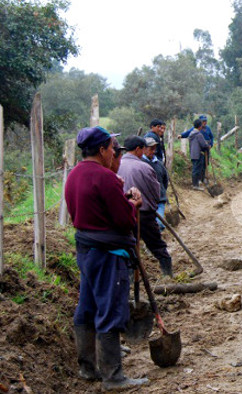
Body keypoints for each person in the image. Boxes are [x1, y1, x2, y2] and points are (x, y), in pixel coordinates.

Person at [64, 126, 148, 391]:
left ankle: (87, 368)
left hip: (85, 250)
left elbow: (91, 209)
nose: (115, 152)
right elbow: (123, 221)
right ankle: (114, 377)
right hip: (107, 254)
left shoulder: (74, 175)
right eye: (112, 148)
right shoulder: (105, 178)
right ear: (101, 150)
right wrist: (133, 204)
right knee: (110, 309)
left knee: (87, 307)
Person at [118, 136, 173, 277]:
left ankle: (129, 281)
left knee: (128, 248)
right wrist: (152, 206)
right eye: (143, 149)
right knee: (157, 246)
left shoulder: (116, 165)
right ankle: (168, 275)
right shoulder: (144, 167)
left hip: (123, 215)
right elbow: (156, 191)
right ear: (138, 149)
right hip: (144, 214)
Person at [143, 137, 168, 231]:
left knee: (158, 223)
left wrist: (162, 191)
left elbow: (165, 180)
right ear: (144, 149)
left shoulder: (159, 164)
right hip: (146, 202)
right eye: (151, 148)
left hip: (159, 200)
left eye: (155, 148)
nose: (153, 151)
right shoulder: (140, 163)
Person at [180, 115, 213, 183]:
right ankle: (197, 181)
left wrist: (210, 145)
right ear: (200, 123)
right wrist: (182, 135)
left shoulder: (208, 129)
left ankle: (203, 178)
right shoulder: (195, 130)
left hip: (206, 149)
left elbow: (211, 137)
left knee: (205, 164)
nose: (204, 123)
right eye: (203, 121)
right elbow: (187, 133)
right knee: (198, 166)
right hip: (200, 150)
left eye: (205, 121)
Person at [187, 119, 209, 191]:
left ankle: (195, 184)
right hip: (198, 154)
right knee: (197, 170)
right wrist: (207, 146)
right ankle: (195, 185)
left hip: (193, 154)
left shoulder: (191, 134)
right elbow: (203, 145)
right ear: (200, 126)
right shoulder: (199, 135)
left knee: (195, 169)